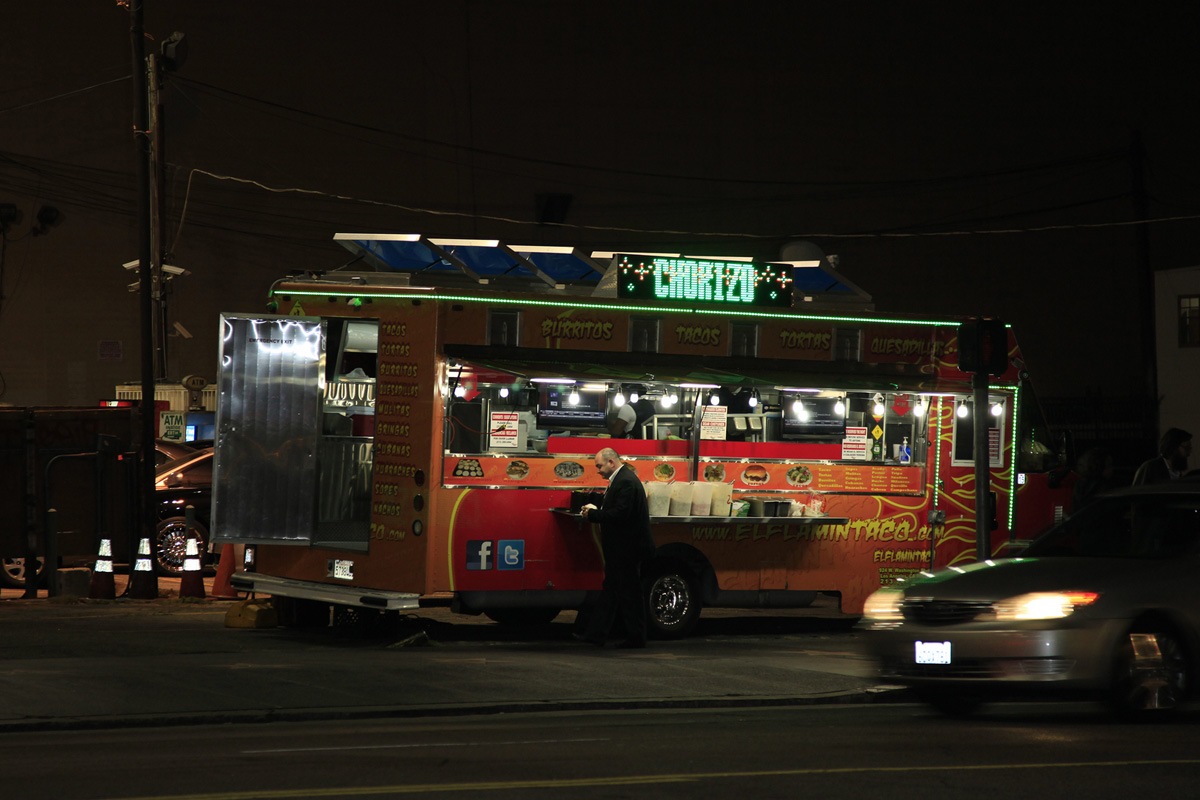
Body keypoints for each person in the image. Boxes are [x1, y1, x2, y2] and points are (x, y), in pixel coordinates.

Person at [576, 447, 655, 648]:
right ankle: (597, 634)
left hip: (627, 549)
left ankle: (635, 637)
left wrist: (593, 515)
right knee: (613, 592)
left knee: (629, 594)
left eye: (599, 466)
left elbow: (620, 514)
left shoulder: (626, 482)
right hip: (622, 548)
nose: (598, 470)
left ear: (611, 462)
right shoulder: (622, 480)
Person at [1071, 447, 1116, 513]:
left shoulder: (1080, 484)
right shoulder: (1101, 487)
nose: (1112, 469)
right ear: (1099, 466)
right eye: (1109, 465)